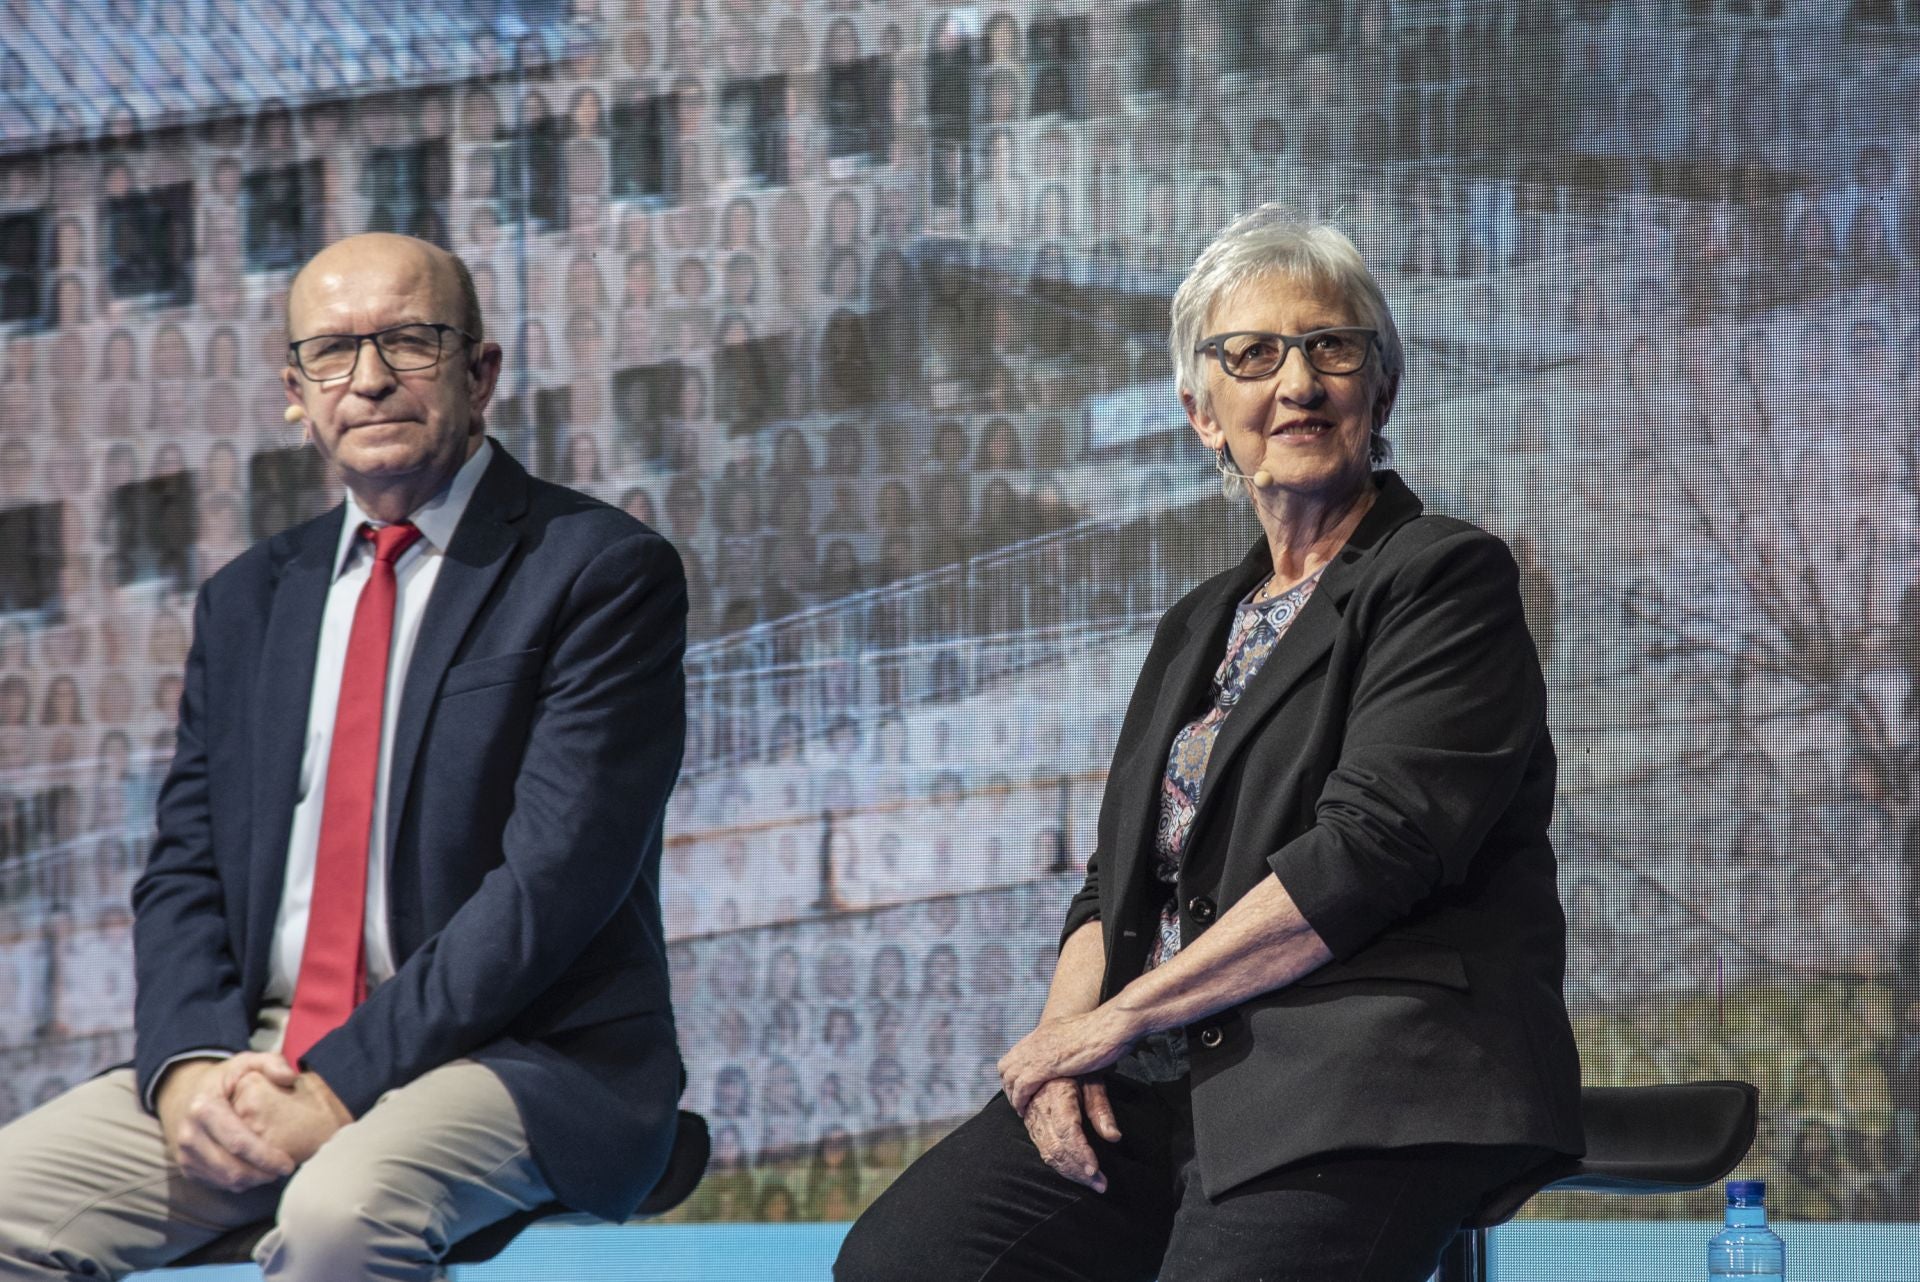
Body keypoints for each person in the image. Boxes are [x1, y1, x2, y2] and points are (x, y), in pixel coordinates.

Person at [836, 206, 1583, 1281]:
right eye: (1253, 354)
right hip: (1168, 1075)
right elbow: (1114, 885)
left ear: (1383, 391)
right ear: (1202, 412)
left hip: (1356, 1076)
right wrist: (1060, 1054)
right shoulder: (1200, 621)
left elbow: (1368, 854)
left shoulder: (1441, 576)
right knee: (904, 1263)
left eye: (1333, 348)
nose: (1298, 382)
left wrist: (1118, 1019)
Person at [0, 233, 689, 1281]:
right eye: (332, 353)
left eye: (409, 341)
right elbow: (183, 868)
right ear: (296, 390)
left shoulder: (597, 572)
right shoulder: (245, 601)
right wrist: (187, 1071)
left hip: (519, 1050)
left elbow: (555, 883)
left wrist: (335, 1082)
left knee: (339, 1215)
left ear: (481, 372)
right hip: (262, 1052)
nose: (368, 379)